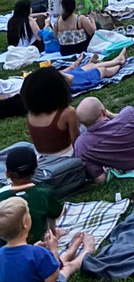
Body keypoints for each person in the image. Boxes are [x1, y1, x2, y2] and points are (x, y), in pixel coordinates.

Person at [0, 197, 96, 282]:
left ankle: (71, 250)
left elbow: (18, 263)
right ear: (26, 223)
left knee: (48, 262)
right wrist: (53, 249)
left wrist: (34, 248)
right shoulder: (36, 253)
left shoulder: (4, 253)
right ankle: (87, 250)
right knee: (68, 267)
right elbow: (52, 279)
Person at [18, 67, 87, 195]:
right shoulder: (67, 112)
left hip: (42, 158)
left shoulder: (31, 114)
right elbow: (77, 144)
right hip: (66, 156)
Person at [0, 145, 64, 243]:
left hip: (5, 248)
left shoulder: (2, 195)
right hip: (36, 243)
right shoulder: (45, 193)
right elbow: (56, 214)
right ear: (35, 170)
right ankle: (51, 236)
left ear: (7, 173)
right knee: (54, 209)